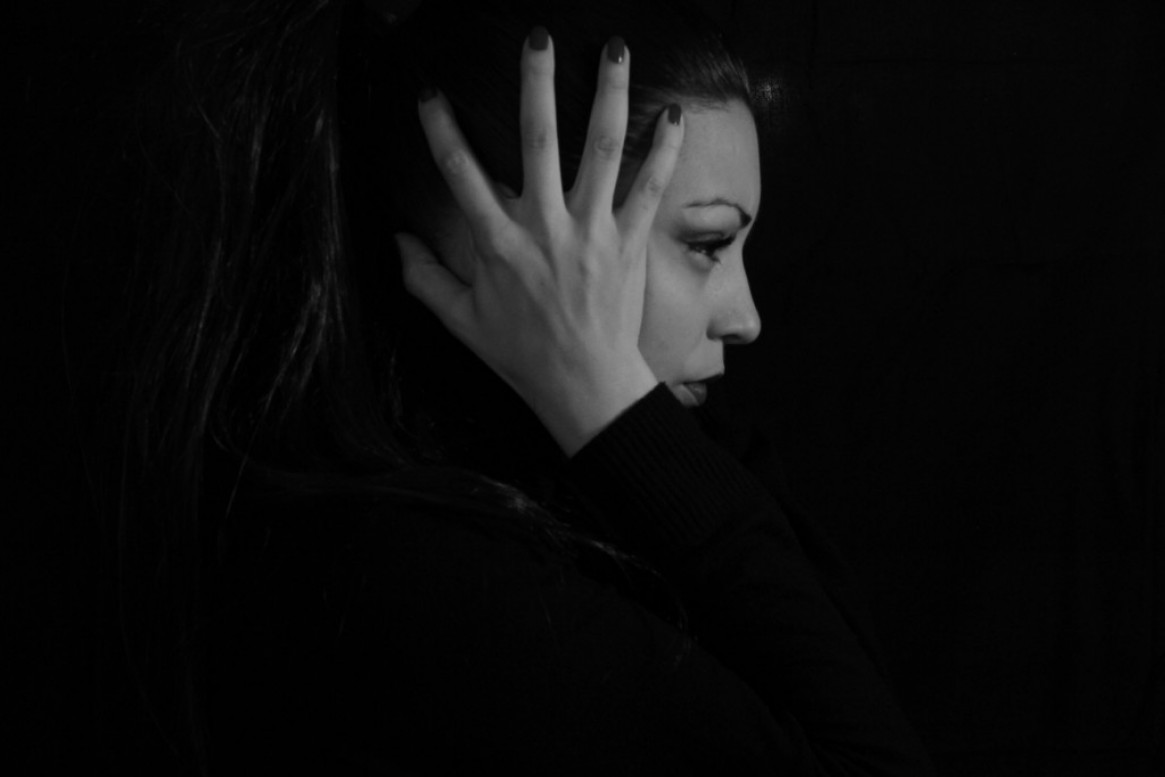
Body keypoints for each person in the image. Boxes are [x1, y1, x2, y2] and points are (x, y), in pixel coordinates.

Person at [92, 0, 935, 773]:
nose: (744, 317)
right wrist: (616, 414)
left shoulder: (665, 465)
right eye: (707, 244)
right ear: (504, 237)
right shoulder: (422, 581)